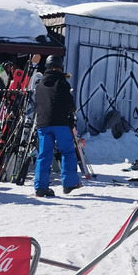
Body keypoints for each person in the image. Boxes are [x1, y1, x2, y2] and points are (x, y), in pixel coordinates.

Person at [34, 55, 81, 197]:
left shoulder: (40, 84)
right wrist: (73, 109)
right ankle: (69, 183)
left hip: (43, 124)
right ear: (60, 67)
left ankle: (41, 188)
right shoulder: (62, 83)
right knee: (67, 152)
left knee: (44, 155)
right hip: (60, 123)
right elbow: (69, 104)